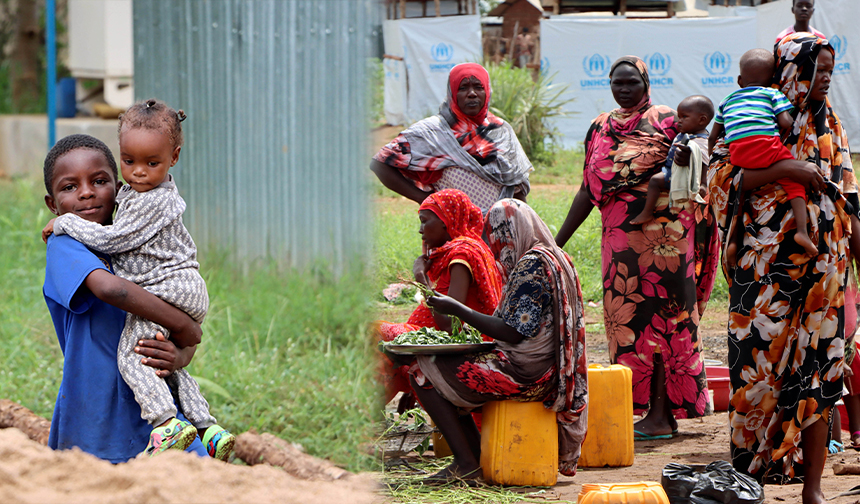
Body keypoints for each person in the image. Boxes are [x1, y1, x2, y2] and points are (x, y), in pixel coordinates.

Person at [42, 100, 235, 460]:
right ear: (53, 205)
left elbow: (168, 332)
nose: (86, 193)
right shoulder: (65, 246)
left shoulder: (130, 240)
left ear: (118, 190)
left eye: (99, 182)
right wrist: (189, 330)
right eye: (70, 187)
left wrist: (182, 352)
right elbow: (111, 289)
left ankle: (204, 427)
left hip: (153, 402)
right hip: (99, 407)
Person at [709, 33, 856, 504]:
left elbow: (849, 195)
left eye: (832, 69)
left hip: (824, 273)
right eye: (818, 70)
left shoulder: (830, 124)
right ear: (791, 73)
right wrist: (788, 170)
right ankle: (750, 481)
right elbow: (721, 179)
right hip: (765, 273)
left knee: (817, 375)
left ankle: (812, 488)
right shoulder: (757, 117)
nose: (826, 79)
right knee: (755, 378)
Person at [555, 56, 719, 440]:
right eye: (617, 82)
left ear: (646, 83)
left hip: (665, 239)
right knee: (625, 322)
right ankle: (643, 409)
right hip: (618, 243)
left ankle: (663, 415)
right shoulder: (598, 126)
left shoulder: (665, 118)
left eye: (631, 82)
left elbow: (699, 158)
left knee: (666, 321)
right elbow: (587, 188)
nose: (624, 88)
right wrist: (557, 240)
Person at [410, 199, 587, 481]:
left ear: (509, 232)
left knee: (423, 371)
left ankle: (466, 462)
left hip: (528, 373)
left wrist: (459, 309)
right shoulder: (558, 257)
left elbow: (513, 332)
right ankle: (477, 456)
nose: (494, 247)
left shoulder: (532, 265)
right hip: (552, 368)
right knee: (449, 364)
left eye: (496, 237)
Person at [375, 189, 503, 407]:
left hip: (456, 345)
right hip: (450, 343)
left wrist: (420, 278)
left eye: (425, 221)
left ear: (446, 221)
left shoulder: (462, 254)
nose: (420, 230)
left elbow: (449, 324)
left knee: (374, 332)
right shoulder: (468, 249)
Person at [370, 63, 532, 213]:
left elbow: (517, 188)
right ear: (452, 93)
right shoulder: (432, 132)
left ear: (487, 91)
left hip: (500, 230)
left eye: (478, 87)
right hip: (453, 228)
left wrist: (522, 225)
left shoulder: (500, 131)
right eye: (463, 88)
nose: (472, 94)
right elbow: (380, 164)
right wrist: (424, 199)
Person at [711, 48, 818, 267]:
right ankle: (801, 231)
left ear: (740, 80)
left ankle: (731, 241)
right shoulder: (772, 93)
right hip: (768, 149)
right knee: (793, 179)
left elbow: (713, 135)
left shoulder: (726, 100)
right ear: (772, 80)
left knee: (737, 194)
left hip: (739, 155)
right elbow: (786, 122)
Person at [630, 95, 714, 225]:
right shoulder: (687, 134)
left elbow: (705, 163)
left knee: (655, 181)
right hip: (672, 169)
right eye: (679, 117)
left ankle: (646, 212)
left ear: (702, 120)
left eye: (684, 117)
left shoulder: (701, 141)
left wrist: (703, 184)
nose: (678, 121)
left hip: (679, 175)